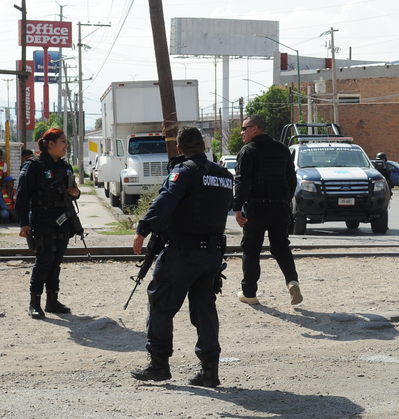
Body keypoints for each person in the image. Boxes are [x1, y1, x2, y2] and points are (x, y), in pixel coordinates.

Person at [130, 127, 233, 387]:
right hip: (211, 255)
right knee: (205, 309)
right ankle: (210, 371)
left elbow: (167, 199)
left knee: (161, 305)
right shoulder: (223, 175)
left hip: (182, 254)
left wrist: (143, 228)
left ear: (179, 149)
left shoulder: (184, 171)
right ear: (203, 145)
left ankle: (159, 365)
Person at [234, 114, 303, 306]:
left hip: (256, 207)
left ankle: (249, 292)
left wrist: (237, 207)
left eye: (244, 128)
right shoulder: (281, 149)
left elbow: (242, 181)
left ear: (255, 128)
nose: (242, 133)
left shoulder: (248, 151)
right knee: (281, 247)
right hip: (280, 207)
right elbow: (291, 179)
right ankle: (292, 281)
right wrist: (285, 200)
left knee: (251, 249)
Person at [16, 129, 79, 319]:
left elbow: (74, 190)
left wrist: (76, 192)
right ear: (51, 144)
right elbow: (22, 196)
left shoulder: (66, 166)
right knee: (44, 262)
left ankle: (52, 301)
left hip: (63, 221)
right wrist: (23, 223)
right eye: (63, 142)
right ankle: (34, 303)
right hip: (42, 221)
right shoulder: (34, 165)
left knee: (56, 262)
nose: (66, 145)